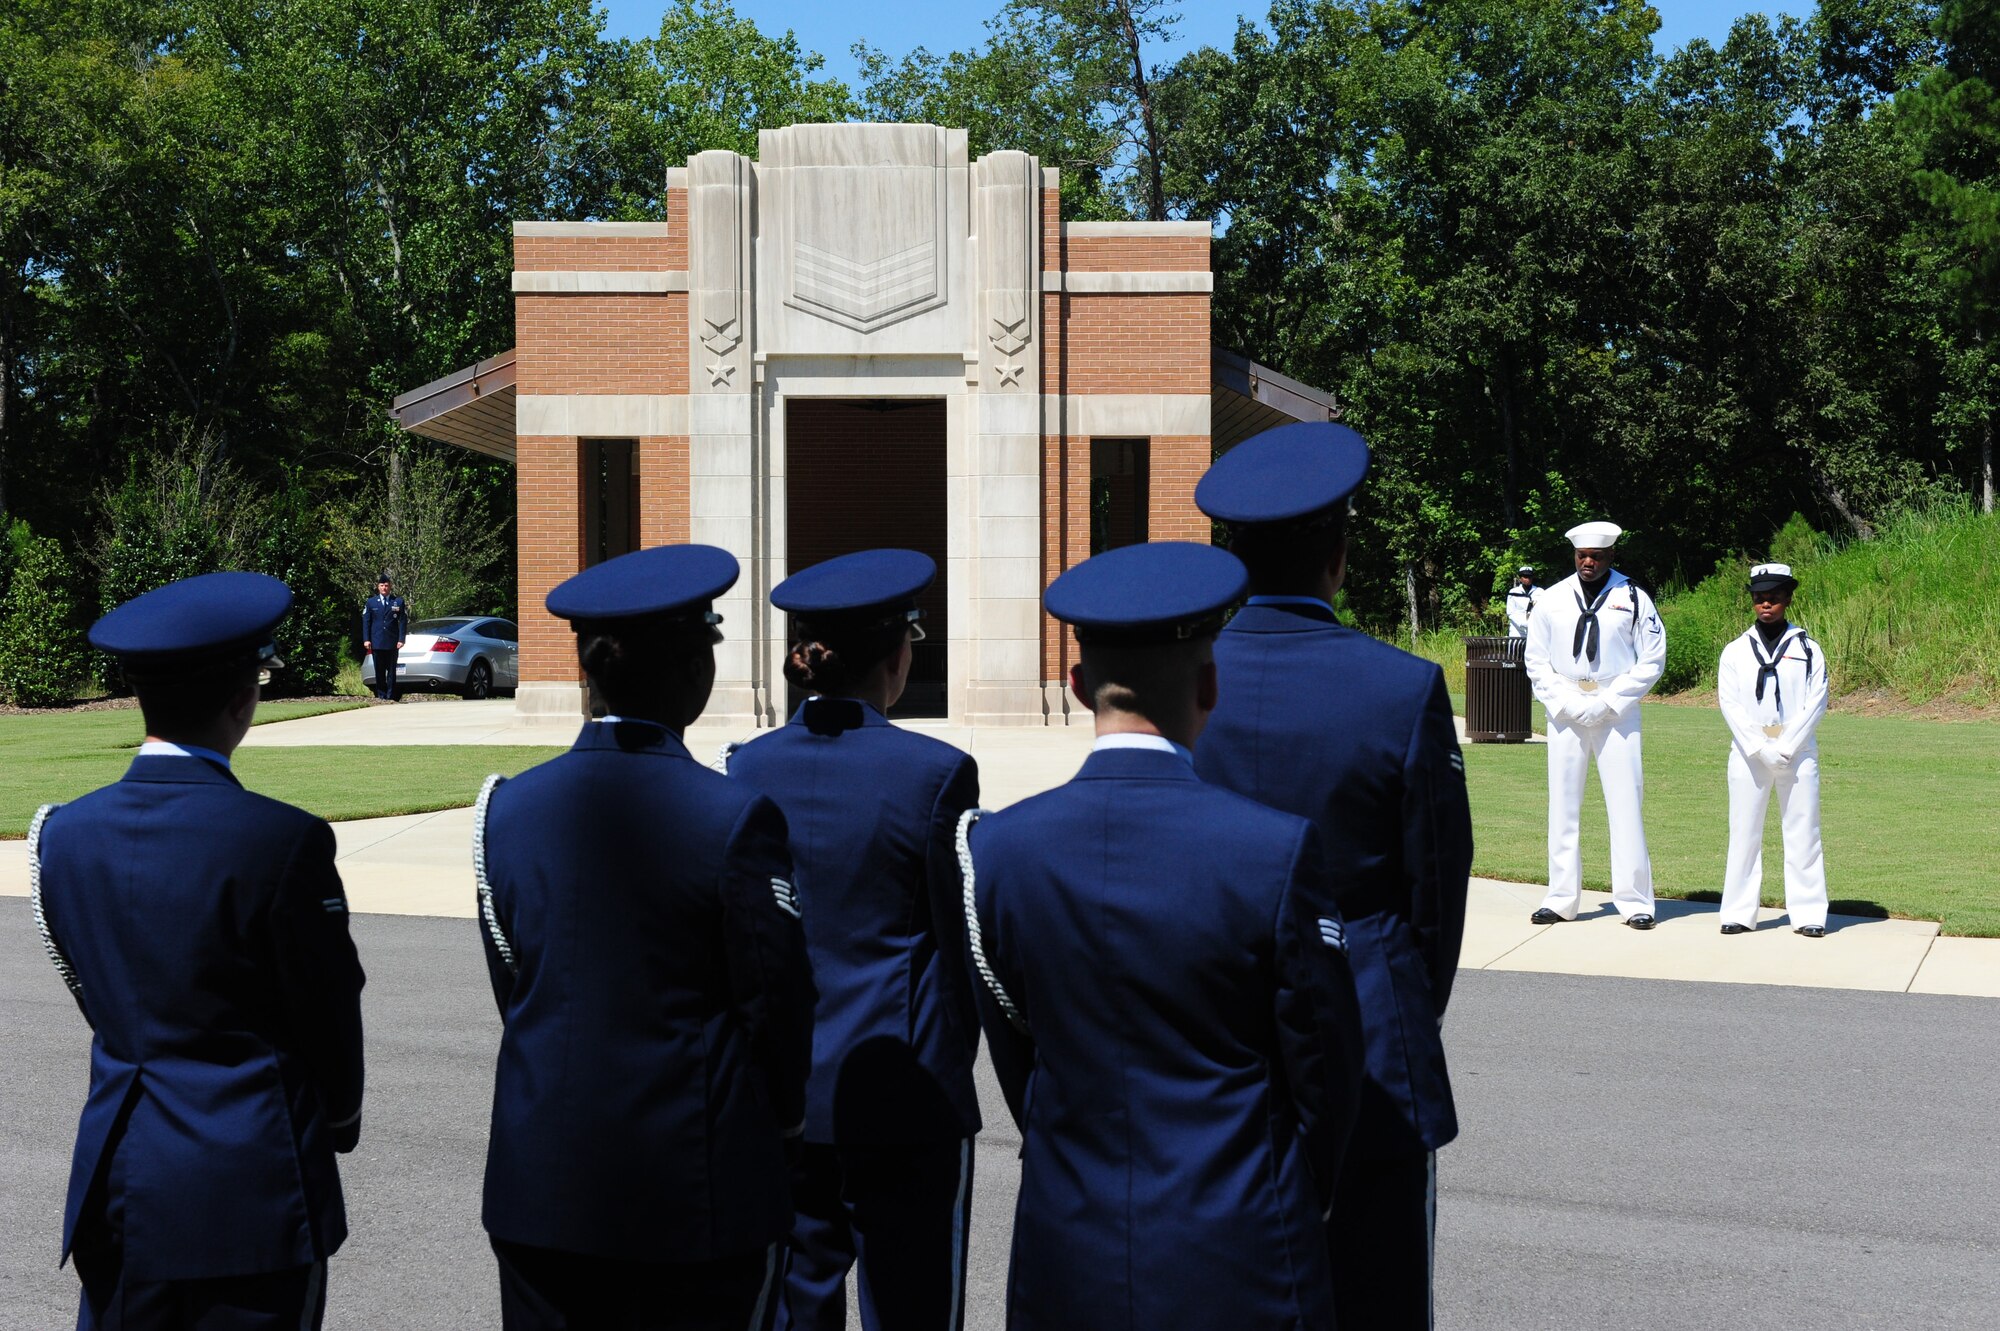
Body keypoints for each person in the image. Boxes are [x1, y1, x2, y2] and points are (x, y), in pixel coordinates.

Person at [961, 540, 1366, 1331]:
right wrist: (1288, 1189)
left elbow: (1022, 1059)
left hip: (1068, 1246)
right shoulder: (1273, 850)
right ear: (1212, 682)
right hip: (1240, 1244)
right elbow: (1327, 1071)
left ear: (1077, 687)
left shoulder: (998, 849)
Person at [472, 544, 815, 1331]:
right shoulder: (732, 816)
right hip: (689, 1200)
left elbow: (519, 981)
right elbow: (776, 1004)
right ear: (696, 669)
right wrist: (786, 1127)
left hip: (543, 1192)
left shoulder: (508, 809)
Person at [1192, 421, 1473, 1331]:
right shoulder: (1400, 687)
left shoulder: (1191, 681)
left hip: (1224, 1035)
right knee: (1380, 1297)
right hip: (1372, 1027)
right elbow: (1436, 890)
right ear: (1340, 555)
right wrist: (1399, 997)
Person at [30, 571, 365, 1331]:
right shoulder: (284, 840)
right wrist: (339, 1118)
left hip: (119, 1179)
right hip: (250, 1188)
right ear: (244, 698)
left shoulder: (64, 836)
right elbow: (327, 1009)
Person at [724, 549, 981, 1331]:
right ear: (899, 656)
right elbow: (959, 934)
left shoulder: (746, 765)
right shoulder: (936, 772)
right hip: (904, 1089)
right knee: (913, 1313)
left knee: (795, 1310)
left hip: (788, 1090)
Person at [1522, 521, 1668, 929]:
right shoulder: (1551, 599)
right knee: (1564, 805)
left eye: (1597, 556)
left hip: (1616, 710)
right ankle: (1561, 898)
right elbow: (1536, 659)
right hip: (1565, 707)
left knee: (1625, 804)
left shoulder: (1634, 597)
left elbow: (1652, 658)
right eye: (1583, 556)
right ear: (1574, 556)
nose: (1589, 562)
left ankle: (1635, 901)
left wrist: (1609, 702)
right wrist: (1566, 701)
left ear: (1611, 556)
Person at [1717, 563, 1831, 938]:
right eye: (1759, 598)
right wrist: (1757, 746)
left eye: (1774, 598)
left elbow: (1816, 701)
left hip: (1796, 751)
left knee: (1803, 831)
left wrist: (1786, 745)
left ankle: (1809, 913)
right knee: (1744, 832)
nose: (1766, 604)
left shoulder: (1808, 649)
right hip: (1750, 754)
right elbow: (1729, 703)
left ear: (1788, 599)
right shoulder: (1735, 651)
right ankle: (1738, 912)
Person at [360, 572, 407, 701]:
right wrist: (366, 639)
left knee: (392, 672)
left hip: (392, 641)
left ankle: (391, 696)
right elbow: (366, 622)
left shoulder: (397, 601)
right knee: (379, 671)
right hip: (377, 641)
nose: (384, 588)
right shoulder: (371, 602)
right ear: (378, 587)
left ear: (390, 586)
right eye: (382, 585)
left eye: (386, 585)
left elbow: (403, 621)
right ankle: (381, 695)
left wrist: (401, 639)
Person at [1505, 565, 1542, 639]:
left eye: (1529, 576)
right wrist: (1522, 623)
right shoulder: (1513, 592)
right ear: (1520, 578)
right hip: (1517, 630)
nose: (1527, 579)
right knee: (1515, 650)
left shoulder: (1540, 592)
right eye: (1525, 576)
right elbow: (1510, 612)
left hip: (1534, 629)